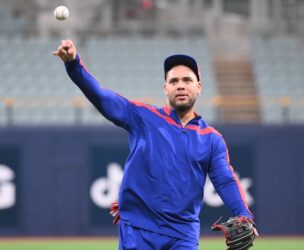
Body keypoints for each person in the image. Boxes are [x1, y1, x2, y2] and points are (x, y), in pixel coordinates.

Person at [53, 39, 257, 250]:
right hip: (139, 230)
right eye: (174, 81)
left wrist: (243, 213)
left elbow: (224, 180)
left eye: (187, 80)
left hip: (183, 234)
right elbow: (101, 97)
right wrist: (74, 64)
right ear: (165, 88)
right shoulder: (143, 117)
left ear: (198, 87)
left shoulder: (211, 138)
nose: (180, 85)